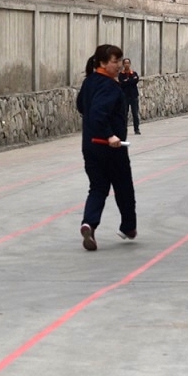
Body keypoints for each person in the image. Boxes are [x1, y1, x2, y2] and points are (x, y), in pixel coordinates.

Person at [76, 44, 137, 251]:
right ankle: (128, 227)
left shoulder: (89, 82)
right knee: (123, 187)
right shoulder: (109, 86)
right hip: (110, 147)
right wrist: (109, 134)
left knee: (98, 187)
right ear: (102, 63)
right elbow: (97, 113)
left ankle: (89, 224)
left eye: (120, 60)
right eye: (115, 61)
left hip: (89, 146)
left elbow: (81, 106)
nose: (119, 65)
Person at [118, 57, 141, 135]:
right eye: (125, 63)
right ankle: (124, 129)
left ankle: (136, 129)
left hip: (134, 96)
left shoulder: (134, 73)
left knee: (135, 114)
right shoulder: (121, 74)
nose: (126, 64)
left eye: (128, 63)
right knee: (124, 114)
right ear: (123, 64)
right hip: (125, 97)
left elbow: (135, 81)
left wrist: (127, 81)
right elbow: (121, 83)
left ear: (130, 64)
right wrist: (130, 81)